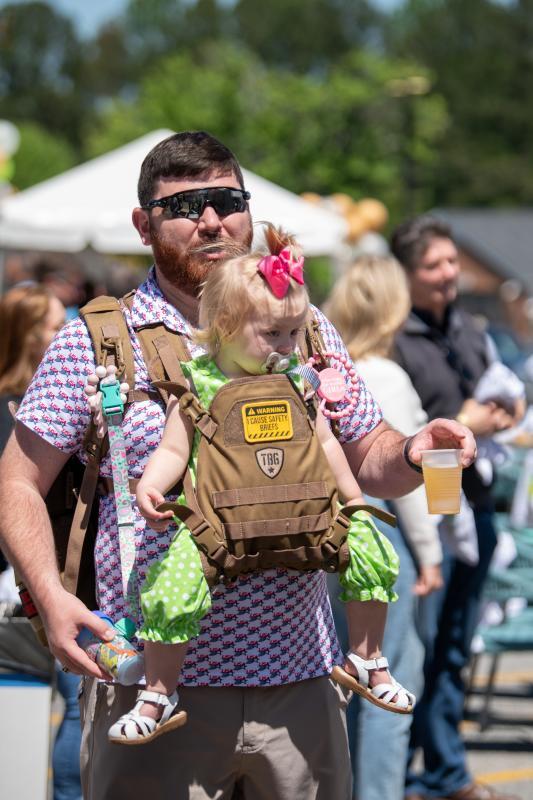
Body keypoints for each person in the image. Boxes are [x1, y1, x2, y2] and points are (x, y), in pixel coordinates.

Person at [0, 132, 475, 800]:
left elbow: (369, 454)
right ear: (144, 225)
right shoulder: (98, 340)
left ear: (248, 212)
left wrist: (418, 449)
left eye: (226, 200)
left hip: (300, 685)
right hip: (154, 691)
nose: (211, 219)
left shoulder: (304, 327)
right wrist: (48, 598)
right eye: (185, 206)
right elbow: (17, 478)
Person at [103, 228, 413, 745]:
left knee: (373, 550)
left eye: (294, 333)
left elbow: (329, 444)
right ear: (223, 326)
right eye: (273, 334)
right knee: (171, 585)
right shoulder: (198, 385)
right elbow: (175, 450)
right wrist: (150, 488)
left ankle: (366, 657)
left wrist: (354, 503)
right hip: (216, 528)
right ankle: (158, 692)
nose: (287, 345)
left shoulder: (300, 381)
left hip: (305, 518)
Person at [391, 215, 521, 800]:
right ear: (408, 275)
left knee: (454, 648)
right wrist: (467, 421)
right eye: (434, 264)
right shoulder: (397, 341)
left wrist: (504, 414)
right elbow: (402, 432)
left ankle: (439, 766)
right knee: (421, 652)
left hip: (478, 506)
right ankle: (423, 768)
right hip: (427, 516)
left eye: (451, 261)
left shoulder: (469, 327)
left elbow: (501, 397)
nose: (448, 273)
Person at [323, 254, 443, 800]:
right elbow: (408, 478)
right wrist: (430, 553)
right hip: (381, 537)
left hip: (330, 539)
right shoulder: (388, 377)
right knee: (393, 683)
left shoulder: (332, 370)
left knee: (344, 681)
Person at [0, 284, 82, 800]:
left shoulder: (64, 396)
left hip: (55, 577)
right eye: (55, 324)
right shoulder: (17, 410)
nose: (66, 333)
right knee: (77, 699)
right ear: (30, 336)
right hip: (27, 582)